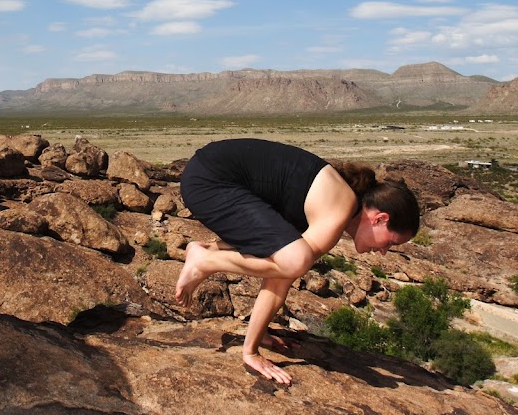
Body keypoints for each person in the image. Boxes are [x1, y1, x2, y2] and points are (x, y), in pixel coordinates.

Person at [174, 138, 419, 385]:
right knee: (296, 259)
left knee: (290, 257)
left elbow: (278, 280)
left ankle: (206, 252)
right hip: (210, 180)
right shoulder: (341, 206)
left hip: (212, 175)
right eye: (390, 242)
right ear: (379, 219)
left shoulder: (335, 206)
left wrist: (257, 339)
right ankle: (205, 259)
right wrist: (250, 354)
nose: (385, 251)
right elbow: (291, 268)